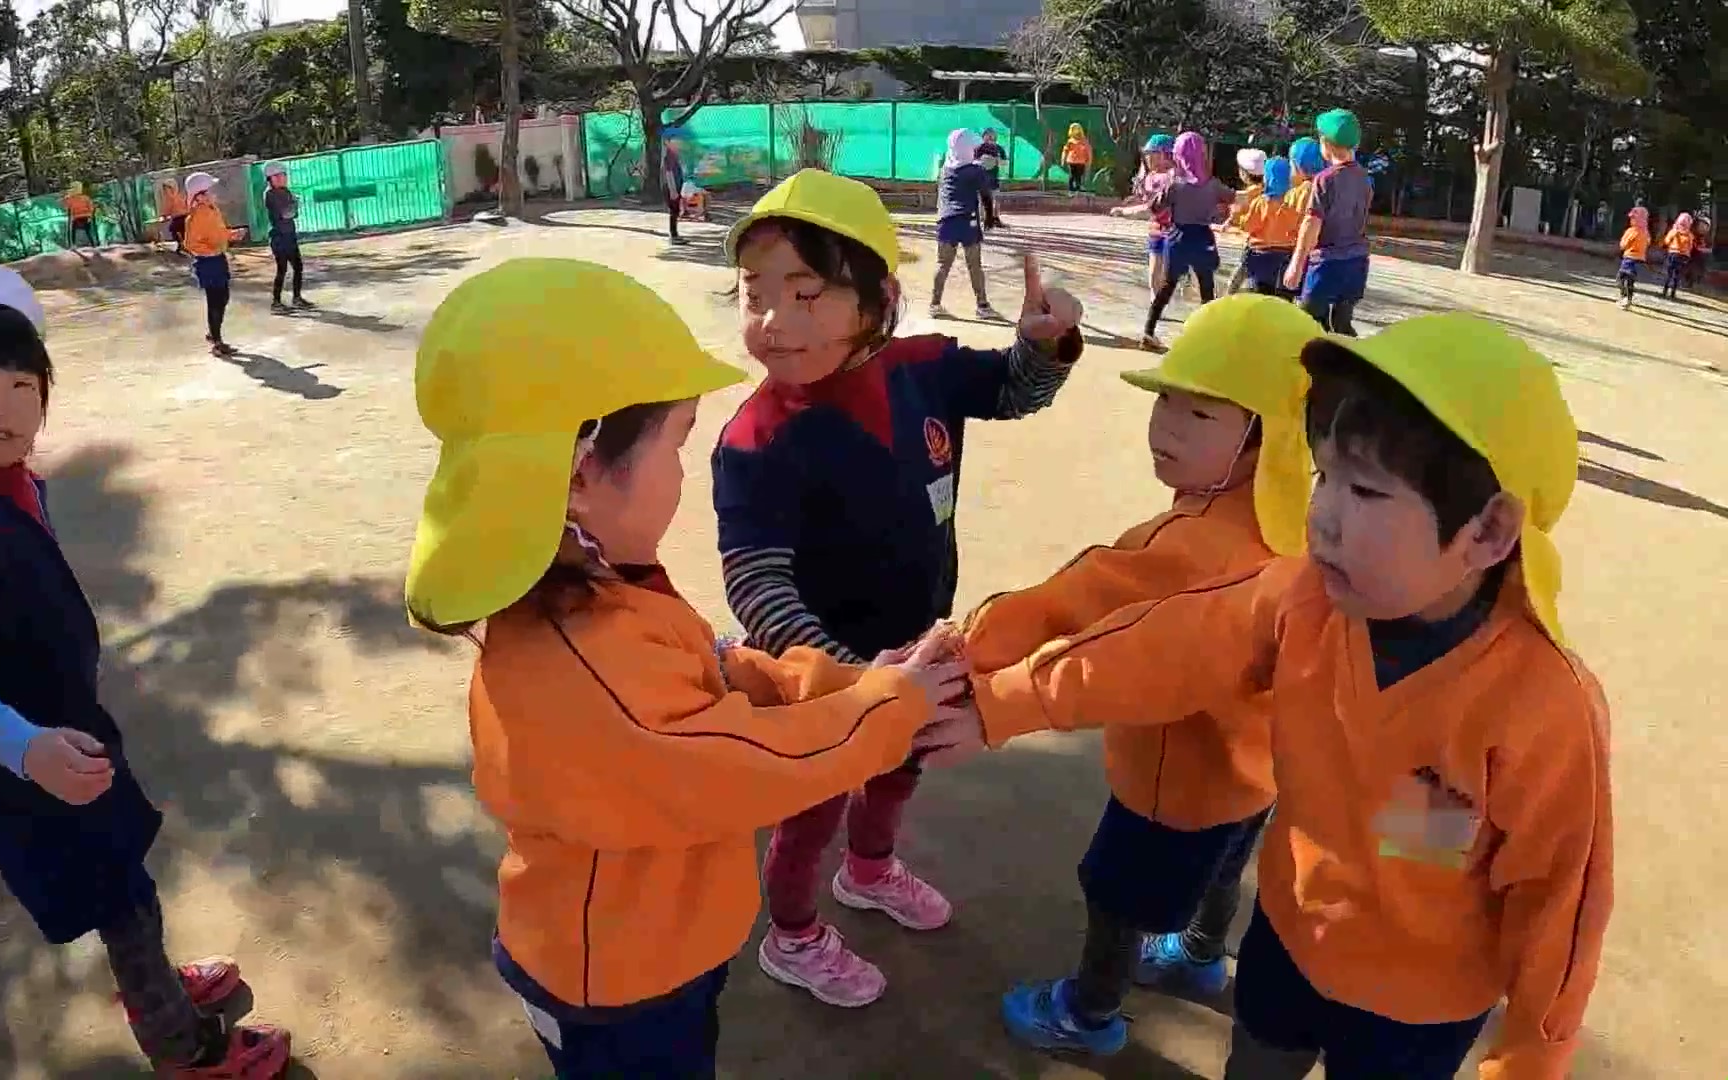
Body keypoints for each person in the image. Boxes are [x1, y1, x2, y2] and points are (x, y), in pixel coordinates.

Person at [954, 312, 1612, 1080]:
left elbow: (1558, 903)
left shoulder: (1544, 710)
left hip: (1417, 1009)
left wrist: (1533, 1057)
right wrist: (1003, 699)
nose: (1322, 515)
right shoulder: (1305, 601)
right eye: (1325, 475)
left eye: (1365, 490)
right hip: (1288, 940)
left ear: (1490, 529)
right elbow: (1163, 646)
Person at [402, 257, 971, 1077]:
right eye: (674, 443)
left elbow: (719, 671)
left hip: (662, 941)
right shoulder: (586, 666)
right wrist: (889, 710)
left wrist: (860, 681)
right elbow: (743, 765)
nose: (682, 474)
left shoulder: (601, 588)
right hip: (620, 985)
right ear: (580, 474)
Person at [0, 265, 293, 1078]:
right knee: (123, 895)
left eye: (22, 383)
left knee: (124, 877)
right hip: (36, 763)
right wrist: (23, 747)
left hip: (69, 734)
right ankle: (184, 1046)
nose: (4, 407)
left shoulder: (15, 480)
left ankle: (157, 987)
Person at [711, 169, 1085, 1008]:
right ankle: (795, 934)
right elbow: (758, 583)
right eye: (755, 295)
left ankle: (871, 870)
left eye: (806, 294)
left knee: (897, 769)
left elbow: (1015, 393)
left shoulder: (922, 369)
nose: (774, 322)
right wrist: (855, 682)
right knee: (811, 807)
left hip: (915, 637)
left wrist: (1040, 345)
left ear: (878, 299)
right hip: (818, 680)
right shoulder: (756, 438)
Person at [976, 294, 1323, 1055]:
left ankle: (1088, 1012)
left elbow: (1073, 601)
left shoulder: (1188, 541)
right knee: (1229, 862)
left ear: (1271, 438)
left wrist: (972, 645)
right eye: (1164, 400)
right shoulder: (1308, 517)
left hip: (1171, 779)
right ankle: (1200, 956)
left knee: (1115, 892)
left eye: (1200, 415)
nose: (1165, 424)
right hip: (1253, 769)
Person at [1136, 131, 1234, 350]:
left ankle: (1148, 332)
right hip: (1202, 237)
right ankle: (1208, 337)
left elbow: (1154, 207)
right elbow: (1232, 198)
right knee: (1206, 286)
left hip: (1177, 237)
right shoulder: (1213, 184)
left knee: (1167, 285)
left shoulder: (1175, 183)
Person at [1284, 110, 1372, 335]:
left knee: (1303, 319)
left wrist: (1296, 264)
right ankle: (1349, 364)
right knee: (1341, 323)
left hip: (1327, 264)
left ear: (1325, 142)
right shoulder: (1365, 178)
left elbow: (1311, 224)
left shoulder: (1325, 179)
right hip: (1357, 262)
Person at [929, 129, 1000, 321]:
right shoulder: (974, 171)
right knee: (974, 265)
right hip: (967, 219)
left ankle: (934, 305)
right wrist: (991, 217)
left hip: (945, 220)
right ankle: (982, 306)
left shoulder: (945, 169)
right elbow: (986, 195)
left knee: (943, 264)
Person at [181, 171, 246, 357]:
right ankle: (217, 341)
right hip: (207, 263)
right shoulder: (194, 217)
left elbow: (219, 233)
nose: (215, 193)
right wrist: (209, 251)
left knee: (223, 297)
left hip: (219, 259)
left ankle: (213, 333)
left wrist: (232, 235)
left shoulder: (213, 211)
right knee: (215, 301)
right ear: (199, 196)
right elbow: (191, 244)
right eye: (210, 190)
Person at [1113, 134, 1178, 295]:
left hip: (1175, 232)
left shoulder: (1172, 178)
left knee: (1164, 272)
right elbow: (1147, 200)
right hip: (1157, 229)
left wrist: (1125, 212)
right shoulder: (1151, 177)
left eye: (1151, 154)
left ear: (1163, 155)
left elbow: (1151, 207)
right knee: (1155, 272)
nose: (1147, 157)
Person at [1238, 157, 1304, 299]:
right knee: (1282, 300)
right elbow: (1297, 229)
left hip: (1260, 256)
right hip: (1285, 256)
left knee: (1259, 296)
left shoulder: (1261, 203)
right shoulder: (1291, 205)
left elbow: (1249, 226)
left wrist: (1241, 219)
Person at [261, 162, 311, 314]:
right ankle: (276, 303)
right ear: (271, 178)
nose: (283, 178)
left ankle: (297, 298)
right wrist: (295, 204)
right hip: (279, 237)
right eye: (279, 176)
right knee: (282, 269)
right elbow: (286, 214)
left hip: (289, 234)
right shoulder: (270, 194)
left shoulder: (285, 191)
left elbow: (293, 214)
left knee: (298, 267)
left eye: (284, 175)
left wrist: (294, 206)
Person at [1225, 148, 1267, 293]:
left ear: (1244, 173)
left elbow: (1236, 217)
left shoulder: (1245, 195)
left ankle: (1227, 299)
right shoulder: (1269, 190)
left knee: (1239, 275)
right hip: (1272, 244)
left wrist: (1230, 223)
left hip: (1254, 243)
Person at [1616, 205, 1650, 310]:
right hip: (1640, 259)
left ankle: (1624, 297)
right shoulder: (1645, 232)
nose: (1631, 220)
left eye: (1633, 218)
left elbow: (1623, 244)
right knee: (1630, 280)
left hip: (1629, 258)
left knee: (1620, 278)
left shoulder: (1631, 231)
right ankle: (1628, 299)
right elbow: (1648, 242)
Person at [976, 128, 1008, 229]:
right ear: (983, 136)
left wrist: (997, 161)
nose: (990, 137)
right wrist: (982, 161)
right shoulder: (979, 148)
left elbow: (1005, 162)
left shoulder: (999, 148)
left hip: (994, 178)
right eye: (988, 135)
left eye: (992, 135)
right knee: (980, 200)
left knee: (996, 199)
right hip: (980, 178)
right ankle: (981, 219)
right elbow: (973, 160)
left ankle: (995, 219)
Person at [1660, 212, 1695, 300]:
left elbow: (1666, 241)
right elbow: (1690, 247)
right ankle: (1673, 293)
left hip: (1673, 254)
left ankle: (1664, 291)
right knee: (1677, 274)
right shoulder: (1690, 235)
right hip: (1683, 256)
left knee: (1669, 273)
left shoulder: (1674, 231)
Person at [661, 131, 687, 245]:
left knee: (675, 211)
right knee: (674, 211)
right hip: (671, 187)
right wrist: (673, 190)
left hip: (675, 187)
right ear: (667, 143)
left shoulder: (674, 155)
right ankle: (673, 236)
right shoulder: (669, 155)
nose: (678, 144)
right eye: (675, 142)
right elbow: (669, 173)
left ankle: (675, 235)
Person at [1061, 122, 1093, 194]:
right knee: (1072, 175)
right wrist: (1063, 159)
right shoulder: (1070, 141)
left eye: (1077, 129)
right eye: (1074, 129)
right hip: (1072, 161)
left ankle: (1078, 187)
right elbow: (1065, 150)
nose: (1076, 131)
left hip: (1081, 161)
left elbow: (1088, 151)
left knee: (1079, 175)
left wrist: (1089, 160)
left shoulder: (1084, 141)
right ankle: (1071, 188)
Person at [64, 183, 98, 250]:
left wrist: (67, 198)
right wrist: (90, 216)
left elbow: (67, 206)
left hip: (78, 217)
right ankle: (93, 245)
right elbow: (91, 207)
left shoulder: (72, 198)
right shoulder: (84, 198)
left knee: (73, 231)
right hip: (84, 216)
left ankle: (73, 245)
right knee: (87, 231)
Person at [159, 180, 189, 255]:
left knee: (173, 229)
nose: (165, 191)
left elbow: (167, 208)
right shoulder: (179, 196)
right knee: (182, 231)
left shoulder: (171, 198)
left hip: (180, 217)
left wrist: (164, 216)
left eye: (166, 189)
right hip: (184, 217)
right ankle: (183, 246)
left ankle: (181, 245)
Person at [1689, 214, 1712, 291]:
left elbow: (1709, 246)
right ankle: (1691, 281)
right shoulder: (1692, 235)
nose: (1702, 227)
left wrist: (1706, 249)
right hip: (1692, 255)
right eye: (1700, 225)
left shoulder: (1707, 238)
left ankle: (1698, 280)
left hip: (1701, 257)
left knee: (1700, 268)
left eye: (1705, 226)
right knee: (1692, 267)